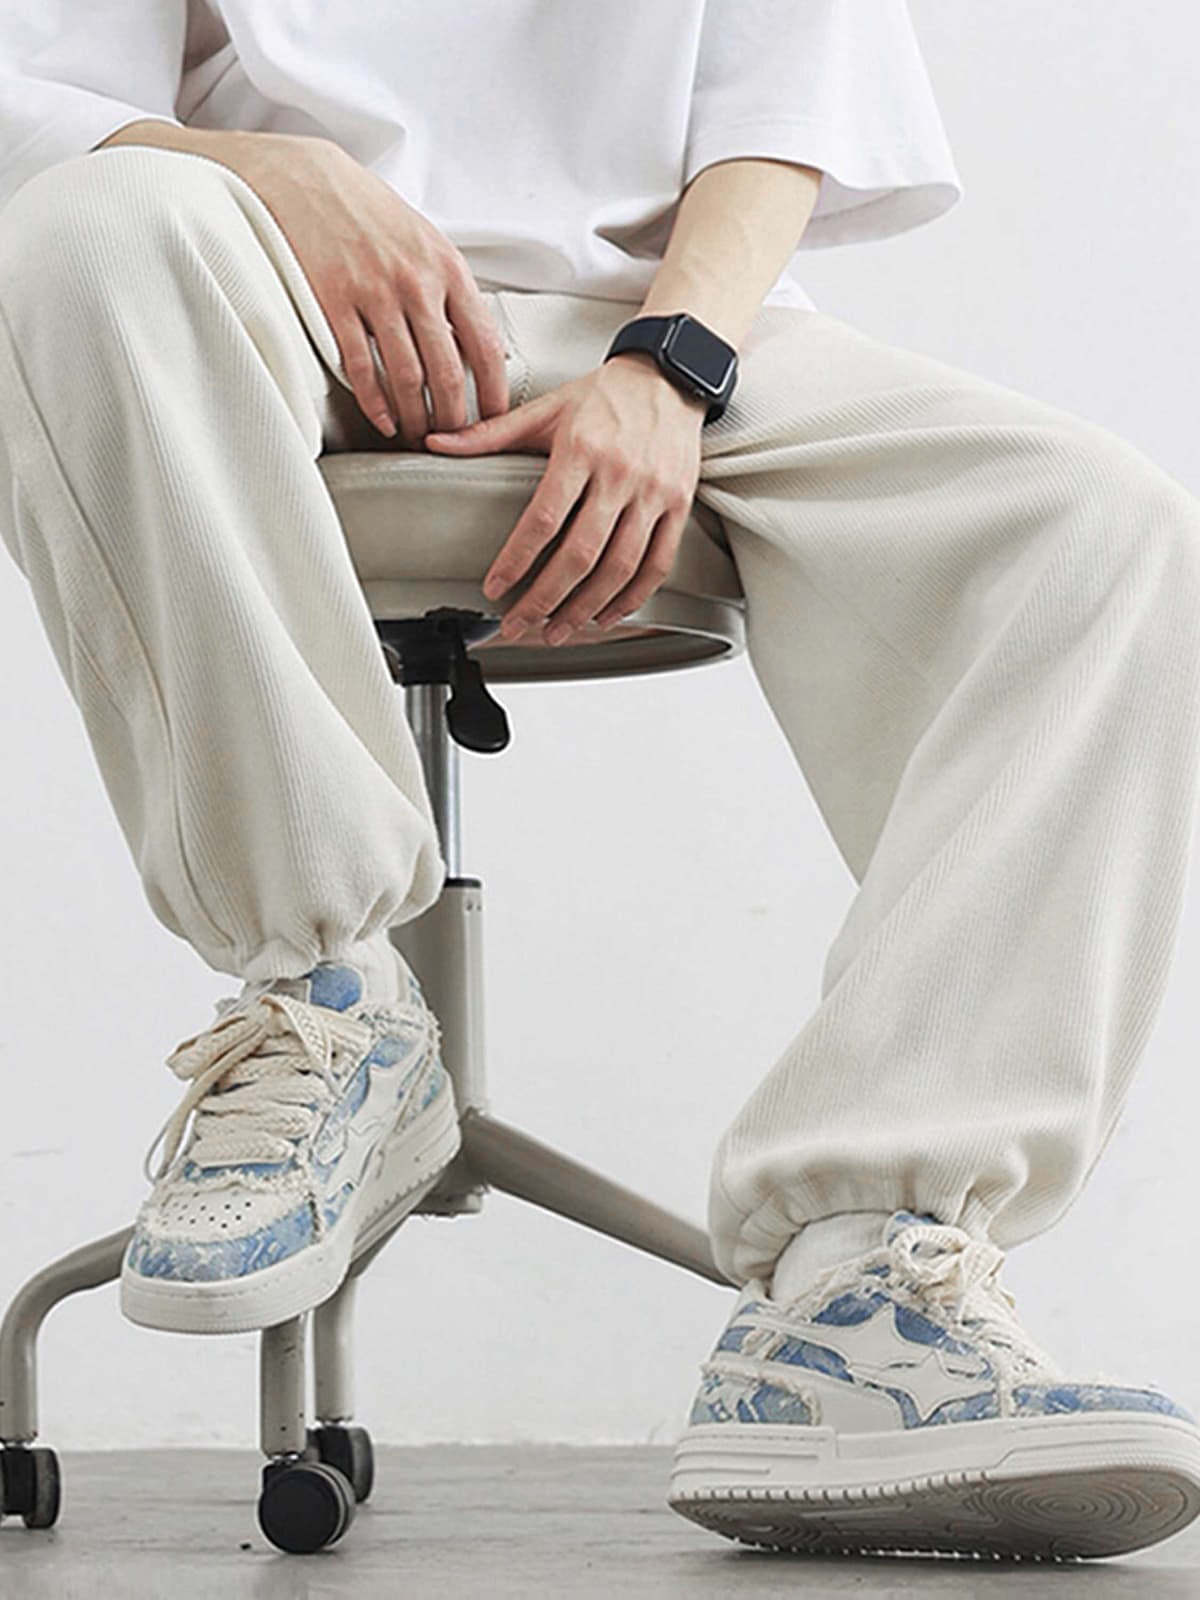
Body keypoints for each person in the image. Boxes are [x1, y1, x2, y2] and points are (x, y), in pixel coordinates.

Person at [1, 0, 1198, 1562]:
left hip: (652, 323)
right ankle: (326, 998)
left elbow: (787, 100)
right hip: (259, 282)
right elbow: (44, 94)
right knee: (86, 227)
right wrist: (249, 166)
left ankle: (859, 1289)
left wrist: (671, 367)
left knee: (1096, 529)